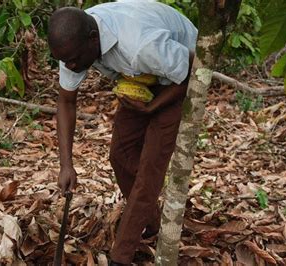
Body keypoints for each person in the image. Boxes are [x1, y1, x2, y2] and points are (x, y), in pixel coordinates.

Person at [47, 1, 197, 265]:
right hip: (140, 77)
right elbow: (66, 101)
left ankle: (121, 256)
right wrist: (66, 165)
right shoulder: (73, 44)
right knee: (120, 155)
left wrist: (153, 107)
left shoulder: (140, 44)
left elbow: (192, 72)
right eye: (63, 61)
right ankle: (150, 221)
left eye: (72, 61)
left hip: (178, 79)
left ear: (94, 39)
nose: (69, 67)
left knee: (150, 167)